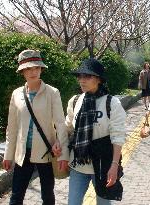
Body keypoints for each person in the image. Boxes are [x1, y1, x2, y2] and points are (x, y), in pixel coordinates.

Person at [2, 49, 68, 205]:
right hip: (23, 153)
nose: (33, 72)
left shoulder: (52, 92)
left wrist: (63, 153)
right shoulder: (17, 94)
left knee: (47, 195)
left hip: (46, 151)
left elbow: (60, 122)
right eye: (29, 68)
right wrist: (8, 154)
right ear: (22, 71)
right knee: (16, 196)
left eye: (36, 68)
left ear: (41, 69)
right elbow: (12, 127)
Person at [65, 58, 126, 205]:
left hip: (102, 165)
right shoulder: (75, 100)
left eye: (87, 76)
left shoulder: (111, 103)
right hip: (78, 163)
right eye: (80, 76)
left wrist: (114, 165)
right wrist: (59, 148)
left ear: (98, 79)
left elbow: (118, 137)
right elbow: (67, 128)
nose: (82, 80)